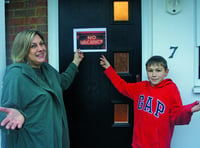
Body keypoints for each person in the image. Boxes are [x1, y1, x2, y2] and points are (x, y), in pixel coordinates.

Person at [0, 29, 84, 148]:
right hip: (33, 142)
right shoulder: (16, 75)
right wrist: (18, 116)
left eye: (42, 43)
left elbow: (63, 82)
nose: (40, 48)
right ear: (23, 50)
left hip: (56, 140)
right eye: (33, 46)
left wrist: (75, 63)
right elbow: (3, 113)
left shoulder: (47, 69)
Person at [100, 55, 200, 148]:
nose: (154, 74)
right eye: (150, 71)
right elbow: (122, 86)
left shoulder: (171, 89)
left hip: (159, 144)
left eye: (158, 70)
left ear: (166, 72)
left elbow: (176, 115)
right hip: (139, 143)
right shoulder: (140, 87)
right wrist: (109, 69)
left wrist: (189, 109)